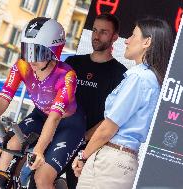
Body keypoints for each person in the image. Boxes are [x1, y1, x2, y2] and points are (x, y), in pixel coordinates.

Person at [0, 17, 86, 188]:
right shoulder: (22, 66)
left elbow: (54, 118)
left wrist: (38, 150)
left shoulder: (66, 76)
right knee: (11, 144)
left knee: (41, 178)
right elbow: (3, 98)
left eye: (37, 53)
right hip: (40, 115)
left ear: (53, 52)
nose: (31, 60)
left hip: (68, 124)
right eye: (27, 51)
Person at [72, 18, 174, 189]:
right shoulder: (152, 78)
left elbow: (108, 128)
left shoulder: (138, 78)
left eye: (133, 35)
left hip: (111, 160)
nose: (126, 40)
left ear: (147, 42)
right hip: (122, 160)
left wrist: (83, 156)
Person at [62, 13, 127, 189]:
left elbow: (113, 118)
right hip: (59, 136)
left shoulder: (121, 74)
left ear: (115, 37)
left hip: (88, 147)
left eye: (104, 32)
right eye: (95, 30)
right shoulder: (73, 62)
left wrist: (85, 138)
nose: (97, 36)